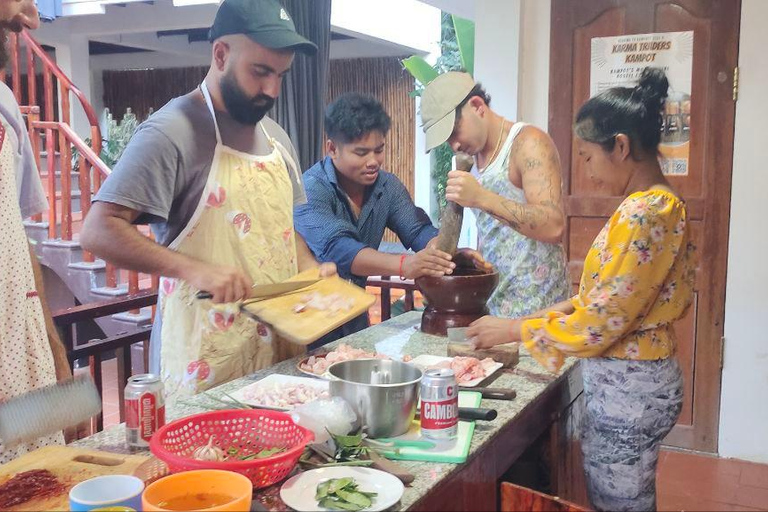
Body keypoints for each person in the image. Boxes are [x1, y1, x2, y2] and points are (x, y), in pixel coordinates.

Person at [81, 0, 335, 401]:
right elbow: (98, 230)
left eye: (281, 75)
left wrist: (310, 272)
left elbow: (282, 233)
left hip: (279, 361)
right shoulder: (171, 132)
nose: (272, 89)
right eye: (260, 72)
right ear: (220, 54)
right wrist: (194, 269)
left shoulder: (277, 139)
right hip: (205, 365)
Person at [467, 68, 696, 512]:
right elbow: (601, 299)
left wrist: (516, 330)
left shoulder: (646, 213)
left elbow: (601, 321)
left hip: (631, 389)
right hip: (631, 383)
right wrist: (535, 320)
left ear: (622, 147)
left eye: (589, 157)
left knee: (621, 503)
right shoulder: (648, 206)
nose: (586, 172)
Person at [295, 93, 486, 340]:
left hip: (355, 315)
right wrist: (404, 265)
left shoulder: (387, 186)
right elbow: (339, 249)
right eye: (361, 152)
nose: (373, 161)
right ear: (332, 148)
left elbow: (418, 231)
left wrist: (446, 253)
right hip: (311, 318)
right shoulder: (310, 188)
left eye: (379, 150)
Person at [420, 71, 569, 319]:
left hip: (538, 306)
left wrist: (480, 197)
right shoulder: (474, 159)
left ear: (477, 106)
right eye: (447, 141)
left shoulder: (529, 142)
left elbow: (553, 226)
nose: (454, 146)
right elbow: (496, 232)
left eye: (454, 132)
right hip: (494, 303)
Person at [0, 0, 79, 463]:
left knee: (39, 482)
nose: (30, 18)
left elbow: (16, 236)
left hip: (21, 367)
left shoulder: (5, 104)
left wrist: (54, 354)